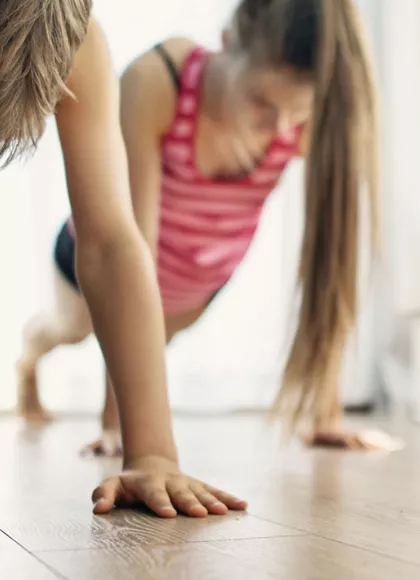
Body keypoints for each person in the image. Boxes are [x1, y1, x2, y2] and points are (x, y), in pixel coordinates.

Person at [17, 0, 382, 455]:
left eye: (297, 114)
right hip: (103, 260)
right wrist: (118, 426)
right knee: (73, 328)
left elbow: (332, 259)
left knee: (150, 349)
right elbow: (128, 249)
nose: (279, 127)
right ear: (226, 44)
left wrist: (328, 413)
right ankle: (31, 353)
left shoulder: (293, 122)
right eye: (261, 103)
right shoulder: (160, 82)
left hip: (195, 281)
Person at [3, 1, 246, 517]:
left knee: (76, 322)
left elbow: (112, 239)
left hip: (87, 254)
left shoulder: (78, 42)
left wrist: (152, 451)